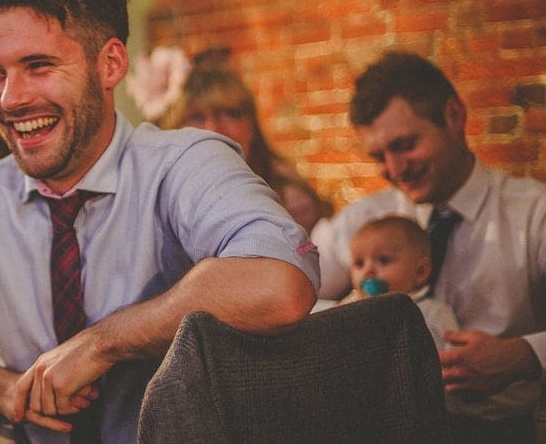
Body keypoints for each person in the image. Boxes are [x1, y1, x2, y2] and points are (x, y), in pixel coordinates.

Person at [0, 0, 320, 443]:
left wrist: (101, 344)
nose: (11, 99)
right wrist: (3, 388)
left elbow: (280, 283)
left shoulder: (185, 162)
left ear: (111, 64)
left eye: (39, 66)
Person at [312, 50, 545, 442]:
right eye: (378, 156)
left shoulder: (533, 213)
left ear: (454, 116)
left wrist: (524, 354)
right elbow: (291, 297)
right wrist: (347, 316)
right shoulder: (366, 221)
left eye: (405, 145)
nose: (394, 169)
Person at [156, 58, 331, 232]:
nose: (213, 130)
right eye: (196, 117)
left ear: (252, 126)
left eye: (230, 114)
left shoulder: (290, 202)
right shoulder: (159, 197)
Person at [339, 215, 459, 351]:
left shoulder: (432, 313)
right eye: (359, 263)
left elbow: (455, 357)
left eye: (383, 260)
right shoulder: (348, 308)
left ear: (420, 272)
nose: (368, 271)